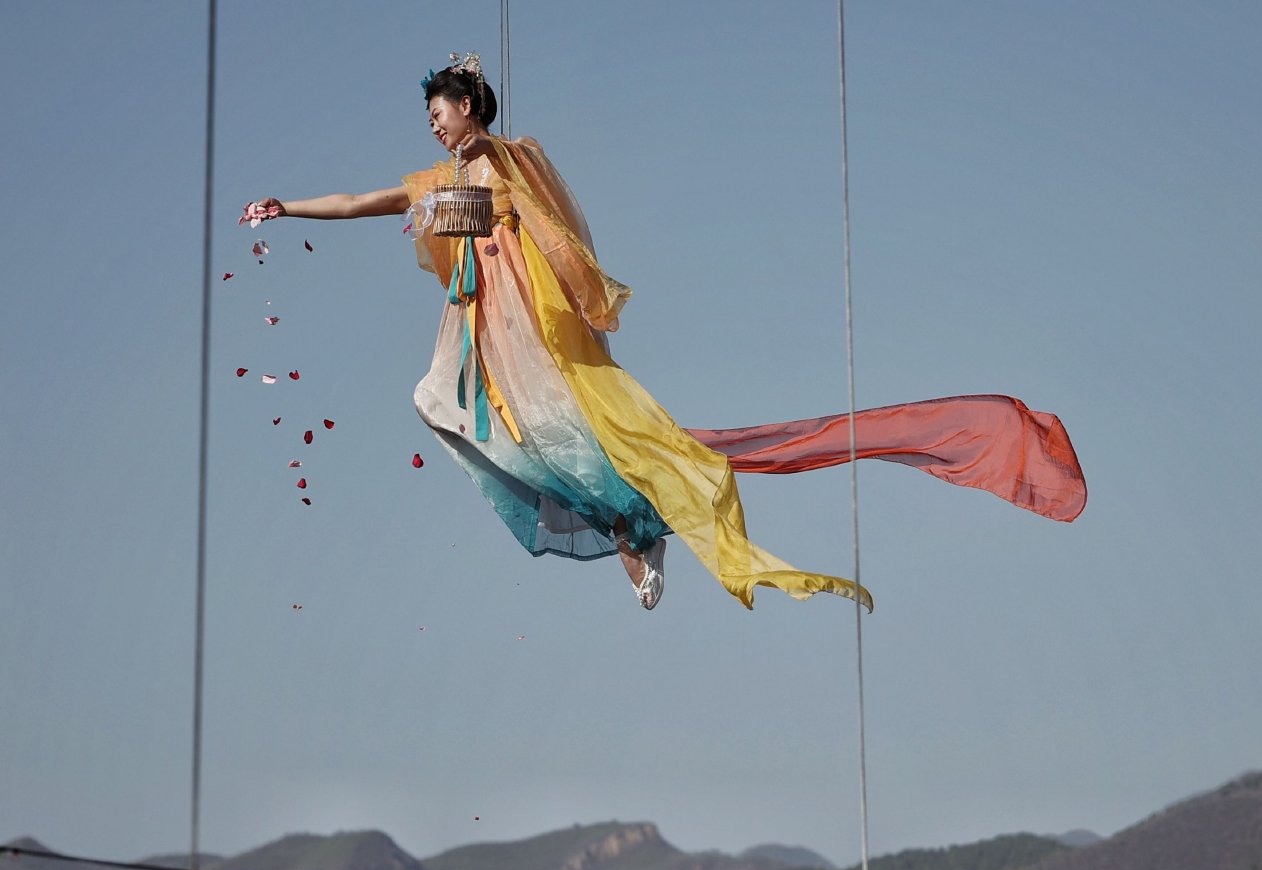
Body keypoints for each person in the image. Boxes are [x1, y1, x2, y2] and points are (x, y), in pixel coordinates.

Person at [243, 54, 1084, 611]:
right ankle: (630, 528)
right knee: (457, 416)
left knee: (594, 442)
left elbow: (549, 232)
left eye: (439, 108)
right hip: (484, 345)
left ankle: (634, 530)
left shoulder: (506, 161)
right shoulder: (438, 178)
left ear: (468, 107)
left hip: (535, 338)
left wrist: (547, 272)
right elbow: (366, 203)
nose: (431, 122)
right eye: (429, 112)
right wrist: (288, 203)